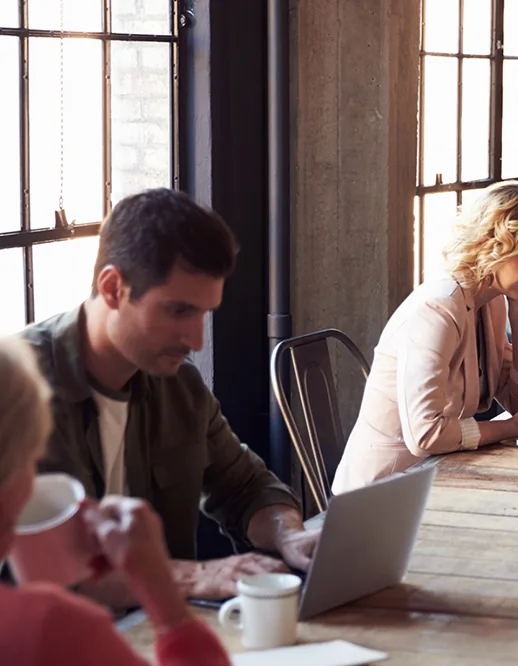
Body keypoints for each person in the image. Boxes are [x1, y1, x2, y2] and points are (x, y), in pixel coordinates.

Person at [0, 336, 275, 666]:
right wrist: (168, 607)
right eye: (31, 462)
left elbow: (244, 481)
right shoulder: (47, 637)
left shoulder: (180, 388)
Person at [21, 188, 314, 604]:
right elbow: (54, 570)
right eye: (178, 311)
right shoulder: (16, 393)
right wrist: (195, 578)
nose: (195, 339)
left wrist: (291, 537)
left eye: (204, 313)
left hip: (158, 633)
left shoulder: (180, 387)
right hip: (50, 653)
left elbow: (247, 488)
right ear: (112, 288)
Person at [333, 182, 518, 494]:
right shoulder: (438, 308)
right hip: (379, 496)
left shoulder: (492, 302)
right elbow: (425, 435)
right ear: (494, 246)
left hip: (436, 476)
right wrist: (511, 427)